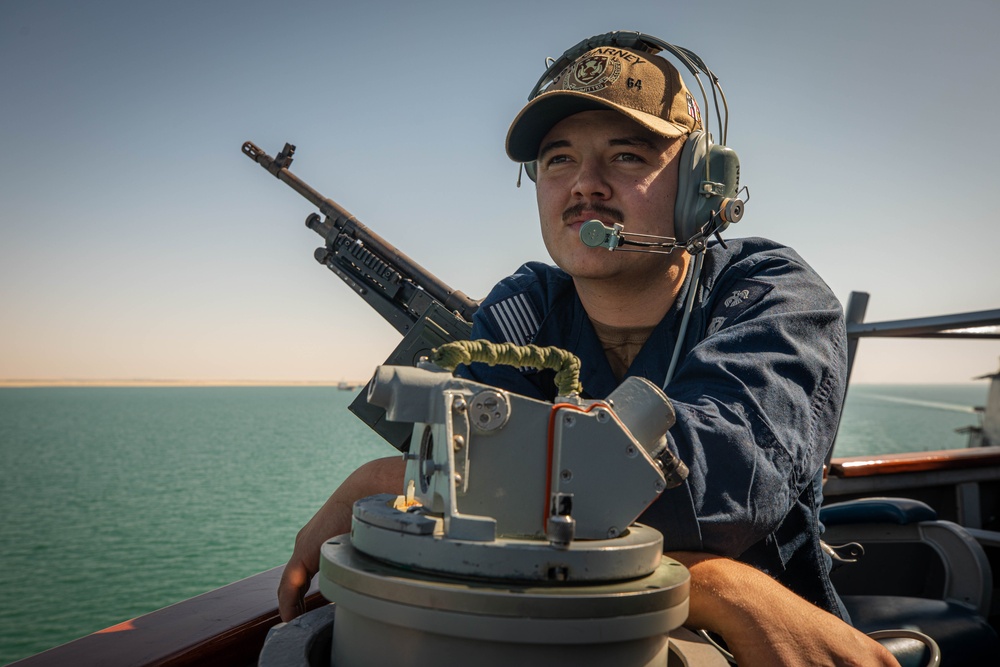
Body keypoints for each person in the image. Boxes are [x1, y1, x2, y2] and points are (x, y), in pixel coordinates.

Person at [278, 35, 898, 666]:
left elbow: (699, 501)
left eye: (627, 156)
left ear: (701, 186)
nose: (586, 187)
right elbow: (470, 505)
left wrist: (382, 480)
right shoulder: (524, 307)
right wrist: (715, 585)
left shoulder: (777, 299)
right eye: (558, 160)